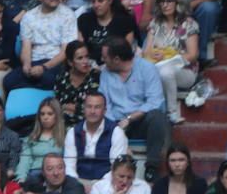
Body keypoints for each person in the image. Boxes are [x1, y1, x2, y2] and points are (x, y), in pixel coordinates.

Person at [101, 38, 171, 178]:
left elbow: (155, 101)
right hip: (115, 122)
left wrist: (130, 118)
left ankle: (151, 168)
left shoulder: (147, 68)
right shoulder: (105, 73)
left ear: (116, 59)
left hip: (140, 121)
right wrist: (114, 126)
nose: (102, 60)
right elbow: (105, 104)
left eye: (105, 57)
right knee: (98, 118)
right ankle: (106, 170)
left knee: (158, 117)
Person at [6, 0, 76, 92]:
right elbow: (26, 47)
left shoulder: (68, 15)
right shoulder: (29, 16)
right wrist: (26, 65)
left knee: (48, 79)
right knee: (9, 81)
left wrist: (44, 67)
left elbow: (66, 52)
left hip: (56, 63)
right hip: (34, 62)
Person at [143, 0, 200, 124]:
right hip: (158, 67)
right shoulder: (155, 23)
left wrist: (169, 57)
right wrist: (155, 54)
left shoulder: (189, 24)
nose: (165, 5)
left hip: (184, 70)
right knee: (157, 70)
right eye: (162, 2)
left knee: (165, 71)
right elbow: (147, 51)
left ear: (178, 3)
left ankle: (172, 112)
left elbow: (192, 55)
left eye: (169, 1)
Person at [63, 91, 128, 184]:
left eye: (97, 107)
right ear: (84, 109)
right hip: (79, 182)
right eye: (89, 106)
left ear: (104, 110)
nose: (92, 111)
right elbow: (69, 166)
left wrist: (98, 186)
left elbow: (116, 168)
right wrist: (78, 185)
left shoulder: (116, 132)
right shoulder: (73, 132)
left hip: (107, 183)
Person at [78, 0, 138, 66]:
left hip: (116, 64)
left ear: (110, 0)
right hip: (89, 64)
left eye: (100, 1)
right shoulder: (84, 19)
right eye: (93, 1)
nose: (96, 5)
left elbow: (126, 49)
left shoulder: (125, 20)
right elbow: (81, 48)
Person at [16, 98, 67, 182]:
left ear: (57, 116)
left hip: (57, 176)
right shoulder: (31, 138)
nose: (45, 117)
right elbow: (24, 163)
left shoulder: (65, 137)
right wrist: (21, 181)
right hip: (35, 176)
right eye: (42, 114)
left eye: (50, 114)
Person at [54, 40, 100, 125]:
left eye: (87, 57)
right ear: (70, 62)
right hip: (63, 123)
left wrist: (76, 108)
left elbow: (99, 107)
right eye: (80, 58)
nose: (85, 61)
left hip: (89, 123)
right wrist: (65, 107)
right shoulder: (62, 78)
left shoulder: (96, 77)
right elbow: (58, 105)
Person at [16, 151, 86, 194]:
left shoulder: (75, 185)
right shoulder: (33, 182)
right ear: (43, 172)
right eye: (50, 169)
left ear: (65, 169)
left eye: (60, 168)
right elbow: (23, 193)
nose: (56, 173)